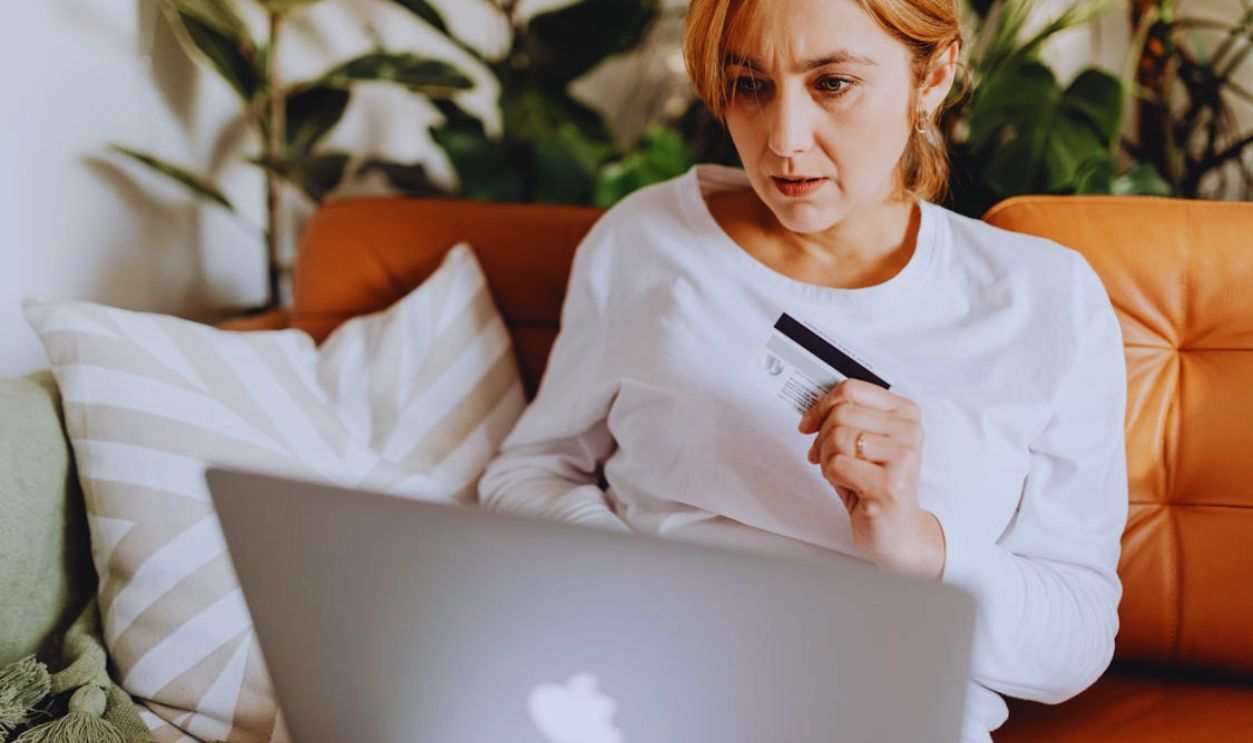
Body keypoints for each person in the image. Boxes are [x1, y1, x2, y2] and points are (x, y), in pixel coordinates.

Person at [478, 0, 1129, 739]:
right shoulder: (646, 240)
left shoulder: (1042, 299)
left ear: (933, 76)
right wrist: (633, 583)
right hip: (635, 687)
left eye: (832, 83)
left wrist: (915, 544)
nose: (782, 141)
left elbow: (1073, 642)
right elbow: (526, 473)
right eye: (749, 84)